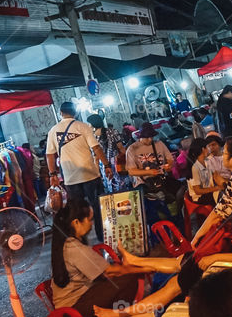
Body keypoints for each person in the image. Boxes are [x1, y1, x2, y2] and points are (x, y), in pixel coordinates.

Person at [94, 138, 232, 317]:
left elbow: (217, 214)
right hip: (231, 241)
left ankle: (122, 314)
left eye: (226, 153)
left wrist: (197, 237)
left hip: (227, 245)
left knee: (173, 284)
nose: (222, 156)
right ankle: (134, 263)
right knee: (180, 262)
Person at [46, 102, 112, 241]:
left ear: (60, 113)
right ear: (75, 113)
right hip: (90, 175)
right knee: (97, 207)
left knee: (76, 211)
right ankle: (102, 237)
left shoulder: (53, 130)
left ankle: (81, 239)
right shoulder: (83, 126)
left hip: (71, 179)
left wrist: (52, 174)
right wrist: (106, 165)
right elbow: (96, 148)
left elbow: (50, 154)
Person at [125, 122, 177, 224]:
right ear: (141, 136)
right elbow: (131, 171)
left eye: (151, 137)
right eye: (147, 137)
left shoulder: (159, 144)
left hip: (162, 182)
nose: (150, 140)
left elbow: (170, 160)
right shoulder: (132, 149)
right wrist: (148, 172)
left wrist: (168, 166)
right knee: (153, 214)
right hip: (144, 185)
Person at [87, 114, 127, 193]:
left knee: (110, 186)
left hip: (104, 166)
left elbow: (96, 158)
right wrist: (127, 159)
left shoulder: (92, 137)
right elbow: (121, 148)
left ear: (93, 124)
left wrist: (98, 173)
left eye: (89, 124)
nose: (88, 126)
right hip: (118, 162)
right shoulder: (112, 131)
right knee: (122, 183)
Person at [186, 138, 223, 206]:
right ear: (203, 149)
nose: (210, 148)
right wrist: (216, 188)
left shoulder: (208, 162)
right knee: (222, 197)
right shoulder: (195, 167)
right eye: (208, 146)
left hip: (209, 192)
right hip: (201, 197)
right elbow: (198, 191)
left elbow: (215, 176)